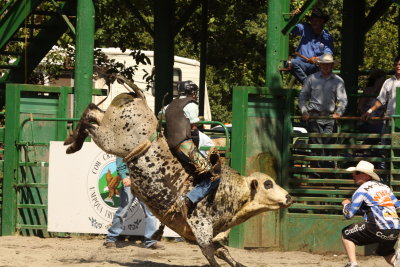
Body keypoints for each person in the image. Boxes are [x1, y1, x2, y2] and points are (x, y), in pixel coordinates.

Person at [164, 80, 220, 217]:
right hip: (185, 146)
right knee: (214, 176)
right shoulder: (191, 105)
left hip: (169, 145)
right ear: (191, 92)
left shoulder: (170, 105)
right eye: (195, 92)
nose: (195, 95)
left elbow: (161, 116)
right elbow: (194, 128)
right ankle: (188, 200)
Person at [341, 160, 400, 267]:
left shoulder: (361, 191)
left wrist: (346, 204)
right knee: (385, 252)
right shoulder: (385, 188)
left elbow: (349, 215)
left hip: (376, 227)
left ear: (367, 176)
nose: (353, 175)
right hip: (395, 230)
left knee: (346, 233)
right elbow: (398, 205)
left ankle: (353, 264)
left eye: (357, 173)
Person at [298, 53, 347, 175]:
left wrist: (339, 112)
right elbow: (303, 96)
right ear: (320, 66)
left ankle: (326, 175)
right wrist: (304, 111)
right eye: (324, 65)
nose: (326, 67)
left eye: (328, 65)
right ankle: (316, 176)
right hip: (314, 116)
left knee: (328, 146)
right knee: (316, 146)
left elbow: (343, 99)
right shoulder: (311, 79)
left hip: (330, 117)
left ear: (332, 65)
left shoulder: (338, 80)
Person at [104, 157, 164, 249]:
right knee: (123, 211)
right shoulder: (123, 145)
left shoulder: (144, 143)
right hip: (129, 178)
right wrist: (124, 177)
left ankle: (151, 241)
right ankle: (111, 239)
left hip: (143, 180)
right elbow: (120, 163)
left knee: (150, 212)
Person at [290, 8, 334, 84]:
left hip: (316, 66)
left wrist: (316, 59)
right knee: (292, 63)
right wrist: (294, 17)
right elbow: (291, 29)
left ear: (322, 22)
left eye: (317, 20)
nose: (314, 22)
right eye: (312, 20)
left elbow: (328, 55)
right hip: (301, 64)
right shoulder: (304, 27)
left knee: (323, 66)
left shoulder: (327, 36)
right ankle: (308, 84)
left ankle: (310, 85)